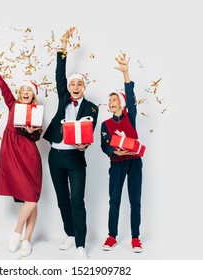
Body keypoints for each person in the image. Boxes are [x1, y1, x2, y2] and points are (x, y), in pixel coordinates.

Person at [0, 49, 43, 257]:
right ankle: (22, 236)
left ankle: (24, 237)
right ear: (19, 92)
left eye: (29, 90)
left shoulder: (37, 111)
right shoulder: (12, 104)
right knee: (28, 200)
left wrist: (34, 132)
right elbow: (1, 84)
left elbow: (37, 137)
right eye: (23, 89)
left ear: (33, 95)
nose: (26, 92)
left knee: (32, 199)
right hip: (12, 153)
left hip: (30, 155)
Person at [43, 27, 99, 260]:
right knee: (62, 199)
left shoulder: (92, 108)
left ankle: (81, 245)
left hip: (76, 158)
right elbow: (59, 74)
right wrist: (63, 47)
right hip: (55, 156)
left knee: (77, 200)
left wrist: (83, 147)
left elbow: (90, 133)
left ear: (83, 88)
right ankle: (70, 233)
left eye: (79, 85)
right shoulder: (63, 98)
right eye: (72, 84)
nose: (75, 87)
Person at [100, 52, 144, 253]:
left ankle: (135, 238)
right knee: (114, 200)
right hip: (116, 164)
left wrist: (126, 73)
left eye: (114, 100)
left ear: (122, 103)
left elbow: (130, 93)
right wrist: (112, 151)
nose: (111, 103)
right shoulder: (105, 124)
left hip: (134, 162)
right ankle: (111, 236)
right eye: (109, 101)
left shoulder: (130, 116)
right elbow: (104, 145)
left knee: (135, 201)